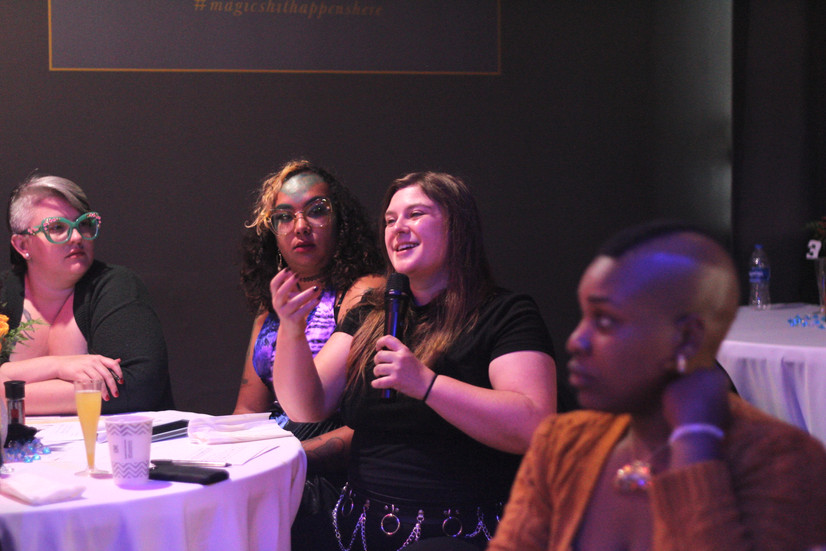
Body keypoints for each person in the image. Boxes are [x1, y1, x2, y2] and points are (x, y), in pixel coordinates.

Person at [488, 221, 826, 551]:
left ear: (686, 338)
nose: (577, 340)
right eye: (583, 317)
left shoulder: (781, 460)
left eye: (605, 321)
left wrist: (695, 444)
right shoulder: (561, 443)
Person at [271, 172, 558, 550]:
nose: (397, 228)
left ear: (457, 227)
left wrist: (427, 385)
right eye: (390, 220)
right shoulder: (371, 314)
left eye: (415, 214)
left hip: (458, 533)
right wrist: (291, 329)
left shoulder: (504, 314)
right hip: (354, 525)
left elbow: (534, 425)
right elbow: (307, 406)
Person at [233, 160, 384, 546]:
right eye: (284, 217)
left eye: (317, 211)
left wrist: (283, 457)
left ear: (342, 223)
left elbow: (368, 425)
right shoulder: (271, 310)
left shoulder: (364, 293)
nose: (300, 226)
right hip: (274, 455)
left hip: (336, 473)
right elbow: (249, 410)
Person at [0, 174, 173, 414]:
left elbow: (138, 387)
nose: (78, 237)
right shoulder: (3, 294)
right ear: (22, 245)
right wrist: (57, 366)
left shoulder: (116, 285)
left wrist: (8, 396)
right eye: (57, 228)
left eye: (83, 224)